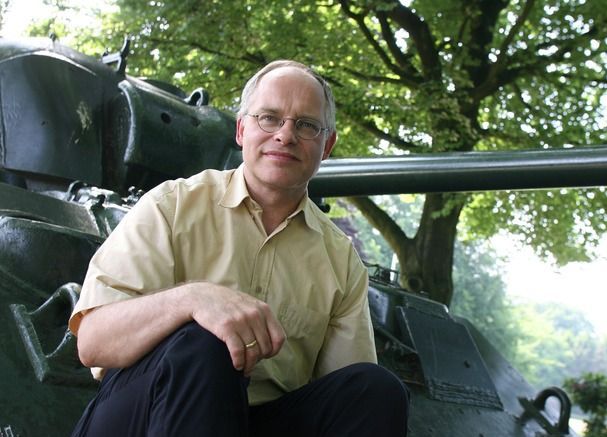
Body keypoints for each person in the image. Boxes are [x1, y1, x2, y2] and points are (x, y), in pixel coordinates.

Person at [68, 60, 409, 437]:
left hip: (253, 422)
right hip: (146, 414)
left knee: (376, 390)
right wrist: (191, 300)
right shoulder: (172, 205)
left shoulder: (340, 260)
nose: (285, 135)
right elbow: (93, 342)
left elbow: (344, 389)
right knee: (206, 340)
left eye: (306, 125)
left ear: (327, 145)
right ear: (241, 129)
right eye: (269, 118)